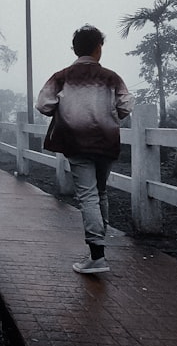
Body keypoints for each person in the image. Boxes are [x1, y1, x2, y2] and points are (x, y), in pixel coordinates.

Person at [36, 24, 132, 274]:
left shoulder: (62, 76)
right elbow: (125, 105)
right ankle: (100, 247)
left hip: (76, 143)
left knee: (88, 196)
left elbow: (43, 104)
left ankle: (96, 255)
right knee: (100, 193)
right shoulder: (111, 77)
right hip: (106, 142)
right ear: (98, 48)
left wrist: (66, 110)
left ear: (75, 49)